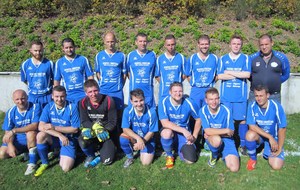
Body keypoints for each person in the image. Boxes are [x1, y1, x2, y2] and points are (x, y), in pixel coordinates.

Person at [34, 86, 80, 176]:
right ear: (52, 96)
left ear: (66, 96)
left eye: (62, 96)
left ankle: (65, 151)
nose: (59, 99)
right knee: (40, 135)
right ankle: (45, 163)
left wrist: (54, 127)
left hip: (68, 138)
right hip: (56, 137)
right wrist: (59, 135)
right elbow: (40, 126)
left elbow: (75, 129)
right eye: (57, 96)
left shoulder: (72, 107)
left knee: (65, 168)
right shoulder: (48, 107)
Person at [217, 35, 251, 155]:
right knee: (227, 120)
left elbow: (247, 75)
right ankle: (227, 143)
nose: (236, 46)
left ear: (241, 45)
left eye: (238, 44)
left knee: (242, 120)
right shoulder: (223, 59)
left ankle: (243, 144)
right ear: (230, 45)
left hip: (240, 97)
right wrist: (238, 74)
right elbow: (219, 76)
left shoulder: (246, 58)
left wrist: (229, 72)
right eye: (234, 43)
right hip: (226, 97)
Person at [159, 82, 201, 169]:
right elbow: (164, 123)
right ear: (170, 92)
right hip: (171, 131)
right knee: (166, 133)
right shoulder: (163, 101)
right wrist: (183, 130)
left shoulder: (189, 102)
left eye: (180, 91)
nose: (178, 93)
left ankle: (178, 147)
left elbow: (199, 119)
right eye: (175, 91)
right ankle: (169, 155)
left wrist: (194, 136)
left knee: (190, 160)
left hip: (183, 135)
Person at [245, 85, 287, 171]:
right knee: (249, 135)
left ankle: (267, 148)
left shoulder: (276, 106)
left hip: (274, 137)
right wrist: (269, 137)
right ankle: (253, 159)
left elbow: (282, 128)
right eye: (256, 96)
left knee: (276, 166)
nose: (258, 98)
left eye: (261, 96)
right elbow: (251, 126)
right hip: (261, 136)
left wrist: (279, 147)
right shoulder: (252, 106)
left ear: (267, 95)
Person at [0, 90, 41, 175]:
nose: (20, 101)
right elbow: (7, 132)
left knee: (31, 133)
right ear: (13, 100)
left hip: (33, 136)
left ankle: (33, 163)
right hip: (18, 138)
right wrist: (10, 145)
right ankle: (26, 152)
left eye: (23, 98)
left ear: (27, 98)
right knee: (2, 154)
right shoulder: (11, 112)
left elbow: (34, 125)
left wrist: (14, 130)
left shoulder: (35, 107)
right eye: (17, 99)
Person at [78, 79, 117, 168]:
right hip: (93, 132)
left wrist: (104, 130)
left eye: (95, 90)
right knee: (82, 141)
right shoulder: (83, 102)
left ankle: (103, 154)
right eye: (90, 92)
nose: (93, 94)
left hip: (105, 134)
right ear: (86, 93)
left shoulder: (109, 100)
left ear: (99, 89)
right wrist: (94, 127)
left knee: (107, 161)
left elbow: (113, 122)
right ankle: (91, 155)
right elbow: (84, 121)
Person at [199, 87, 239, 172]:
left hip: (227, 140)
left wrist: (212, 132)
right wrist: (225, 130)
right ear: (206, 100)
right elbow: (208, 131)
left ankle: (219, 149)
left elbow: (231, 132)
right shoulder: (202, 111)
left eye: (216, 99)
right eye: (210, 99)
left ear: (219, 99)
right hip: (214, 138)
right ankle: (214, 156)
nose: (214, 102)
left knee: (234, 168)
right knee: (216, 140)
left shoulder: (227, 110)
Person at [94, 32, 127, 135]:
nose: (110, 44)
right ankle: (104, 136)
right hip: (103, 90)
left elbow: (124, 74)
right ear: (104, 42)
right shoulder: (99, 55)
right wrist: (103, 83)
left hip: (117, 91)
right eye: (108, 42)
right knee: (104, 114)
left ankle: (119, 136)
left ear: (116, 41)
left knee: (118, 113)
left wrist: (120, 85)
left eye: (112, 41)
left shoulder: (121, 55)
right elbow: (98, 73)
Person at [119, 89, 158, 168]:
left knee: (145, 163)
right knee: (123, 137)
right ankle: (130, 157)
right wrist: (138, 138)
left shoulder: (152, 112)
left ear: (144, 99)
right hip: (134, 138)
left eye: (141, 100)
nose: (139, 104)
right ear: (131, 101)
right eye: (136, 101)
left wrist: (142, 142)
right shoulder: (127, 111)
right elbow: (125, 129)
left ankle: (145, 149)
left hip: (148, 139)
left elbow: (152, 131)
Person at [249, 34, 290, 103]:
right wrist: (256, 81)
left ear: (272, 43)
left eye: (266, 44)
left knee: (274, 114)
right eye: (261, 45)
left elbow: (286, 74)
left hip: (274, 95)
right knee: (253, 114)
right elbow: (248, 74)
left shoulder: (281, 58)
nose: (264, 47)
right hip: (255, 95)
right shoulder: (252, 58)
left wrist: (276, 81)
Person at [54, 37, 94, 104]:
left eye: (71, 47)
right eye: (66, 48)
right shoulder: (59, 62)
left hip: (82, 95)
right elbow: (56, 82)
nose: (69, 49)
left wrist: (90, 93)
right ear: (63, 49)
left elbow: (90, 78)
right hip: (67, 96)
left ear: (74, 47)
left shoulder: (83, 59)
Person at [186, 35, 218, 109]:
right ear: (198, 44)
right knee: (195, 113)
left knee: (208, 112)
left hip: (209, 89)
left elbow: (218, 74)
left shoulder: (214, 58)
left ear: (209, 44)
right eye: (202, 44)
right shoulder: (192, 58)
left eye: (206, 44)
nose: (204, 46)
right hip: (196, 90)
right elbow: (188, 75)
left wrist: (211, 82)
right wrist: (194, 84)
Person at [20, 40, 54, 108]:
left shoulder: (49, 63)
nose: (38, 53)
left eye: (40, 50)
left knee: (47, 118)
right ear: (30, 50)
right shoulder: (25, 64)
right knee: (33, 118)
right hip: (32, 98)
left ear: (43, 50)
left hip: (47, 97)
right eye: (35, 51)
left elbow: (55, 80)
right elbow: (25, 80)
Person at [126, 33, 156, 108]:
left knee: (150, 115)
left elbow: (155, 73)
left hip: (148, 92)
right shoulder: (130, 55)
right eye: (140, 41)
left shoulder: (152, 55)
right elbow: (128, 73)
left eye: (145, 41)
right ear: (136, 42)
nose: (143, 43)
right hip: (134, 92)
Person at [155, 34, 187, 101]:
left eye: (172, 44)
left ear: (175, 44)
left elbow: (185, 74)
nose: (171, 47)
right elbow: (157, 76)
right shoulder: (160, 59)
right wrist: (165, 82)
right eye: (168, 45)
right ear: (165, 45)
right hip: (164, 93)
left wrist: (177, 82)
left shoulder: (181, 58)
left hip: (177, 93)